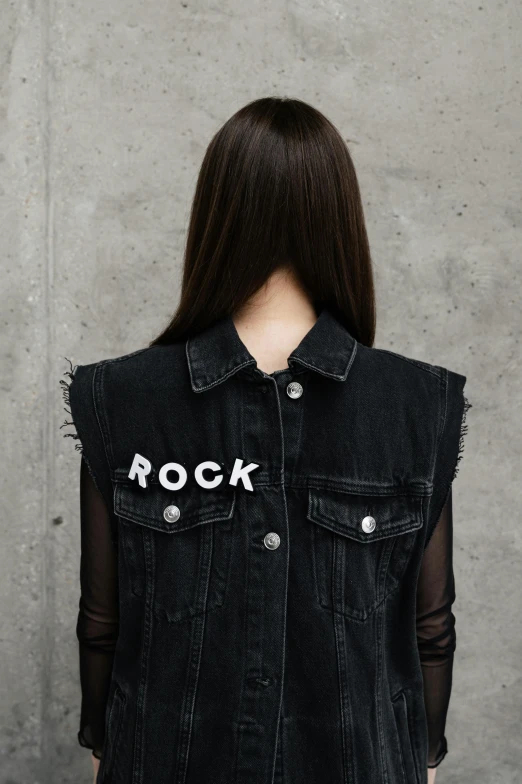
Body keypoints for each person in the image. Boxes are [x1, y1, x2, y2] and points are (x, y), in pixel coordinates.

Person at [60, 97, 471, 784]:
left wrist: (105, 745)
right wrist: (420, 758)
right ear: (339, 221)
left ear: (216, 217)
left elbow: (103, 621)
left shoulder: (124, 397)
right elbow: (430, 629)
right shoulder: (413, 403)